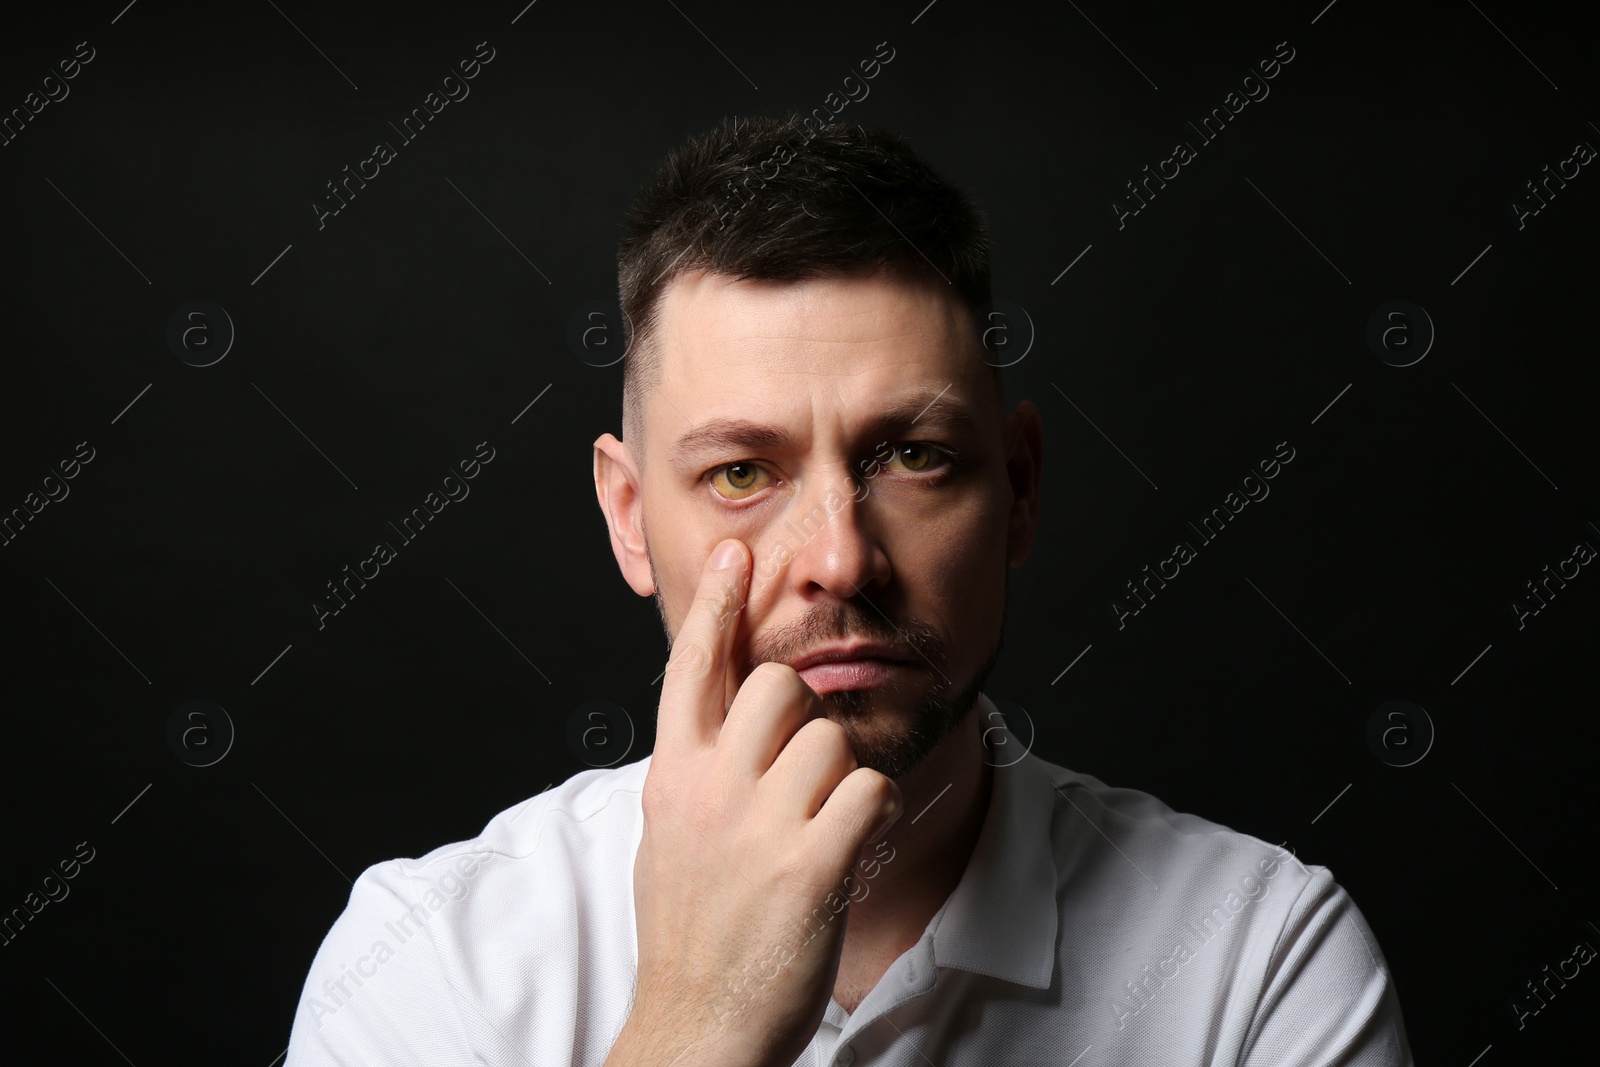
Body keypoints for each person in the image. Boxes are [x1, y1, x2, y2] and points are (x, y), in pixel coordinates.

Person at [285, 114, 1413, 1066]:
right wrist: (699, 1021)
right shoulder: (431, 954)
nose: (842, 557)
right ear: (629, 517)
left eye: (911, 455)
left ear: (1017, 488)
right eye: (740, 472)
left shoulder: (1256, 955)